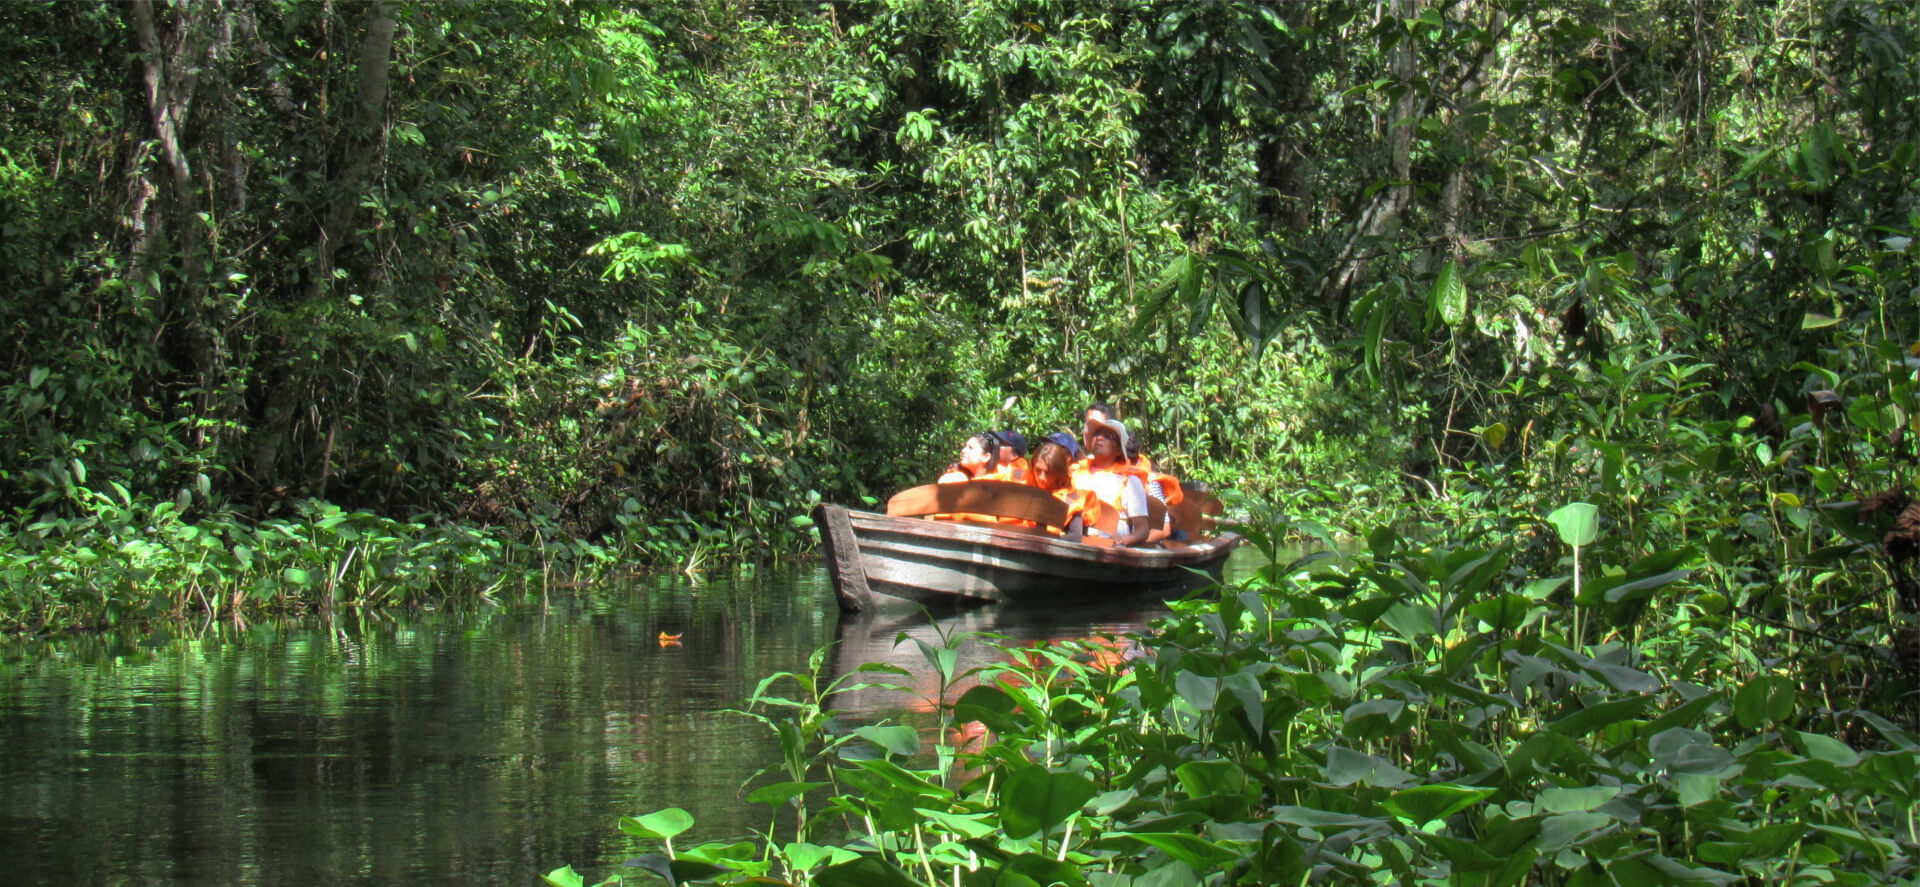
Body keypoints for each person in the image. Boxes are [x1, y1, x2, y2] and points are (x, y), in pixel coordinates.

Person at [1073, 416, 1151, 547]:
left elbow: (1142, 530)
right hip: (1074, 539)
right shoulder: (1075, 473)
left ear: (1119, 451)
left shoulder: (1130, 482)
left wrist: (1124, 540)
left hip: (1109, 546)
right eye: (1096, 434)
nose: (1099, 438)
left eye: (1108, 437)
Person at [1026, 441, 1091, 541]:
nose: (1041, 477)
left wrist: (1045, 543)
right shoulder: (1023, 491)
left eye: (1048, 472)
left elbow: (1076, 537)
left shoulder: (1070, 500)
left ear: (1059, 473)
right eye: (1038, 470)